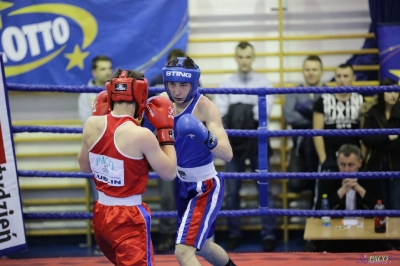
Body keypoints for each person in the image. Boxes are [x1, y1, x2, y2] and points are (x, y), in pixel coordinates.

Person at [78, 68, 177, 266]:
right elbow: (169, 173)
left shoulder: (91, 124)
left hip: (100, 215)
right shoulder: (140, 135)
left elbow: (84, 167)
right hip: (128, 219)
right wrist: (166, 132)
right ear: (141, 95)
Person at [150, 56, 236, 266]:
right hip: (181, 184)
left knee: (183, 252)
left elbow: (227, 153)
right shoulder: (160, 103)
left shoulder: (205, 107)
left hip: (205, 186)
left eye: (183, 85)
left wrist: (203, 133)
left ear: (194, 83)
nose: (177, 91)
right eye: (172, 84)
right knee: (204, 246)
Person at [213, 41, 276, 252]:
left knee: (264, 188)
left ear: (253, 57)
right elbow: (221, 114)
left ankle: (268, 233)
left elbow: (262, 115)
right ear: (236, 58)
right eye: (241, 57)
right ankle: (234, 233)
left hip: (257, 141)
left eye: (248, 56)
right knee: (232, 190)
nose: (244, 61)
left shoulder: (264, 82)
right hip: (234, 142)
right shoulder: (226, 83)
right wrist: (245, 113)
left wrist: (238, 112)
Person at [309, 144, 386, 252]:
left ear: (360, 163)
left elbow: (380, 209)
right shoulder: (328, 180)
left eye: (351, 165)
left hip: (365, 236)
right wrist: (341, 191)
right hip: (335, 236)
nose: (346, 170)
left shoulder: (370, 179)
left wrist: (360, 190)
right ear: (337, 163)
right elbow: (319, 212)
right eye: (342, 165)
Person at [149, 48, 186, 254]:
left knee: (188, 193)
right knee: (166, 196)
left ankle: (186, 237)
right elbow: (146, 114)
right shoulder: (155, 82)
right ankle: (167, 235)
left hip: (187, 147)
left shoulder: (193, 84)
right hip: (163, 146)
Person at [284, 55, 323, 197]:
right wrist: (317, 118)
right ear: (303, 71)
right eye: (307, 69)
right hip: (299, 147)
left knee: (324, 184)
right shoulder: (293, 92)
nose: (311, 72)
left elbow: (330, 119)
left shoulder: (328, 92)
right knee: (294, 184)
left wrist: (303, 110)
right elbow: (289, 116)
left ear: (321, 71)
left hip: (324, 146)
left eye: (314, 69)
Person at [78, 55, 113, 204]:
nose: (107, 72)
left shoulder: (116, 91)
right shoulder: (85, 94)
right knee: (99, 198)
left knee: (118, 195)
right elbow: (88, 124)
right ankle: (100, 227)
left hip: (116, 147)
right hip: (96, 149)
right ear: (94, 72)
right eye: (103, 69)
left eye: (109, 68)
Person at [361, 79, 400, 210]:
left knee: (396, 206)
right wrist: (390, 136)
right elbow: (367, 139)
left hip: (397, 164)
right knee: (379, 206)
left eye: (396, 91)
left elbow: (397, 144)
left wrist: (380, 140)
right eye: (389, 91)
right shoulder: (372, 112)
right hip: (376, 165)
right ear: (382, 93)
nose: (393, 95)